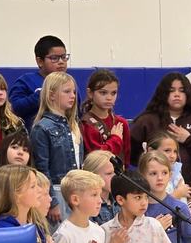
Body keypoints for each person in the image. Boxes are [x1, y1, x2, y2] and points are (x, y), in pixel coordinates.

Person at [130, 72, 191, 184]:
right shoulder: (147, 120)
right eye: (171, 90)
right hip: (155, 186)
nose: (177, 94)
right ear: (163, 94)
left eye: (181, 90)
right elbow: (131, 151)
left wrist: (190, 140)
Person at [31, 72, 83, 226]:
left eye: (73, 92)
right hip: (57, 190)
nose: (72, 96)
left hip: (76, 188)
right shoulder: (42, 128)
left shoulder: (74, 125)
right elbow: (42, 168)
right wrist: (52, 201)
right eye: (66, 91)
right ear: (51, 95)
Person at [10, 35, 70, 130]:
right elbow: (14, 108)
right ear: (40, 61)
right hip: (35, 137)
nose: (61, 62)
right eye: (54, 58)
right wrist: (42, 95)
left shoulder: (70, 83)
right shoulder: (26, 81)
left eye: (64, 57)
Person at [80, 69, 131, 166]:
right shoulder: (86, 124)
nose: (109, 98)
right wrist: (115, 139)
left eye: (113, 93)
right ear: (90, 93)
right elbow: (95, 159)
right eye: (103, 93)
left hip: (119, 177)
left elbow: (126, 159)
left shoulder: (121, 123)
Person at [143, 132, 190, 201]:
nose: (172, 156)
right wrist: (177, 194)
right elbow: (152, 205)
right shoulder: (146, 175)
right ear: (151, 150)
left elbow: (183, 201)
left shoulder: (176, 172)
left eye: (175, 151)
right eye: (167, 151)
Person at [82, 150, 119, 224]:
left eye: (116, 172)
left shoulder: (120, 200)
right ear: (93, 175)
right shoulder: (87, 205)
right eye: (109, 173)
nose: (115, 177)